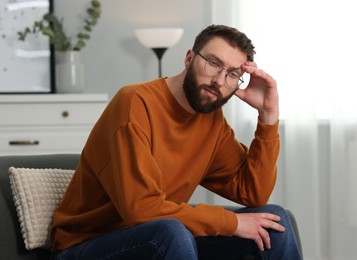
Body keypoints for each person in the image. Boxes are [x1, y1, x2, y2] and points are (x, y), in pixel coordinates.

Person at [51, 24, 302, 259]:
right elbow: (140, 210)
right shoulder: (135, 103)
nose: (219, 80)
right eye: (213, 63)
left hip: (159, 238)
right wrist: (231, 222)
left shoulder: (212, 122)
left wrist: (268, 117)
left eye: (232, 74)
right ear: (189, 58)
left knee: (274, 220)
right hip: (86, 245)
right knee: (171, 232)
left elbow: (253, 193)